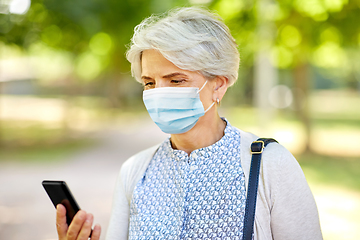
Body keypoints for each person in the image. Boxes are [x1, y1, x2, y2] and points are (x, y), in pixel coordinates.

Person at [56, 7, 323, 240]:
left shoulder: (270, 164)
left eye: (176, 80)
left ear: (219, 85)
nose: (158, 93)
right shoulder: (135, 172)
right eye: (149, 82)